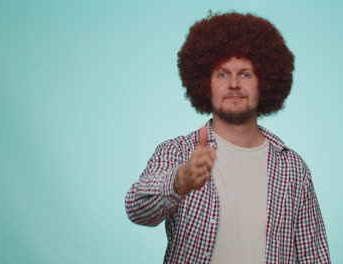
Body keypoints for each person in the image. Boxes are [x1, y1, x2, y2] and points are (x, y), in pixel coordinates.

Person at [125, 12, 330, 264]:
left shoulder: (293, 169)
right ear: (205, 84)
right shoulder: (176, 152)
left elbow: (313, 255)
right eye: (222, 74)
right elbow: (137, 209)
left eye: (245, 74)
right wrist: (181, 181)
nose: (234, 84)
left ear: (264, 83)